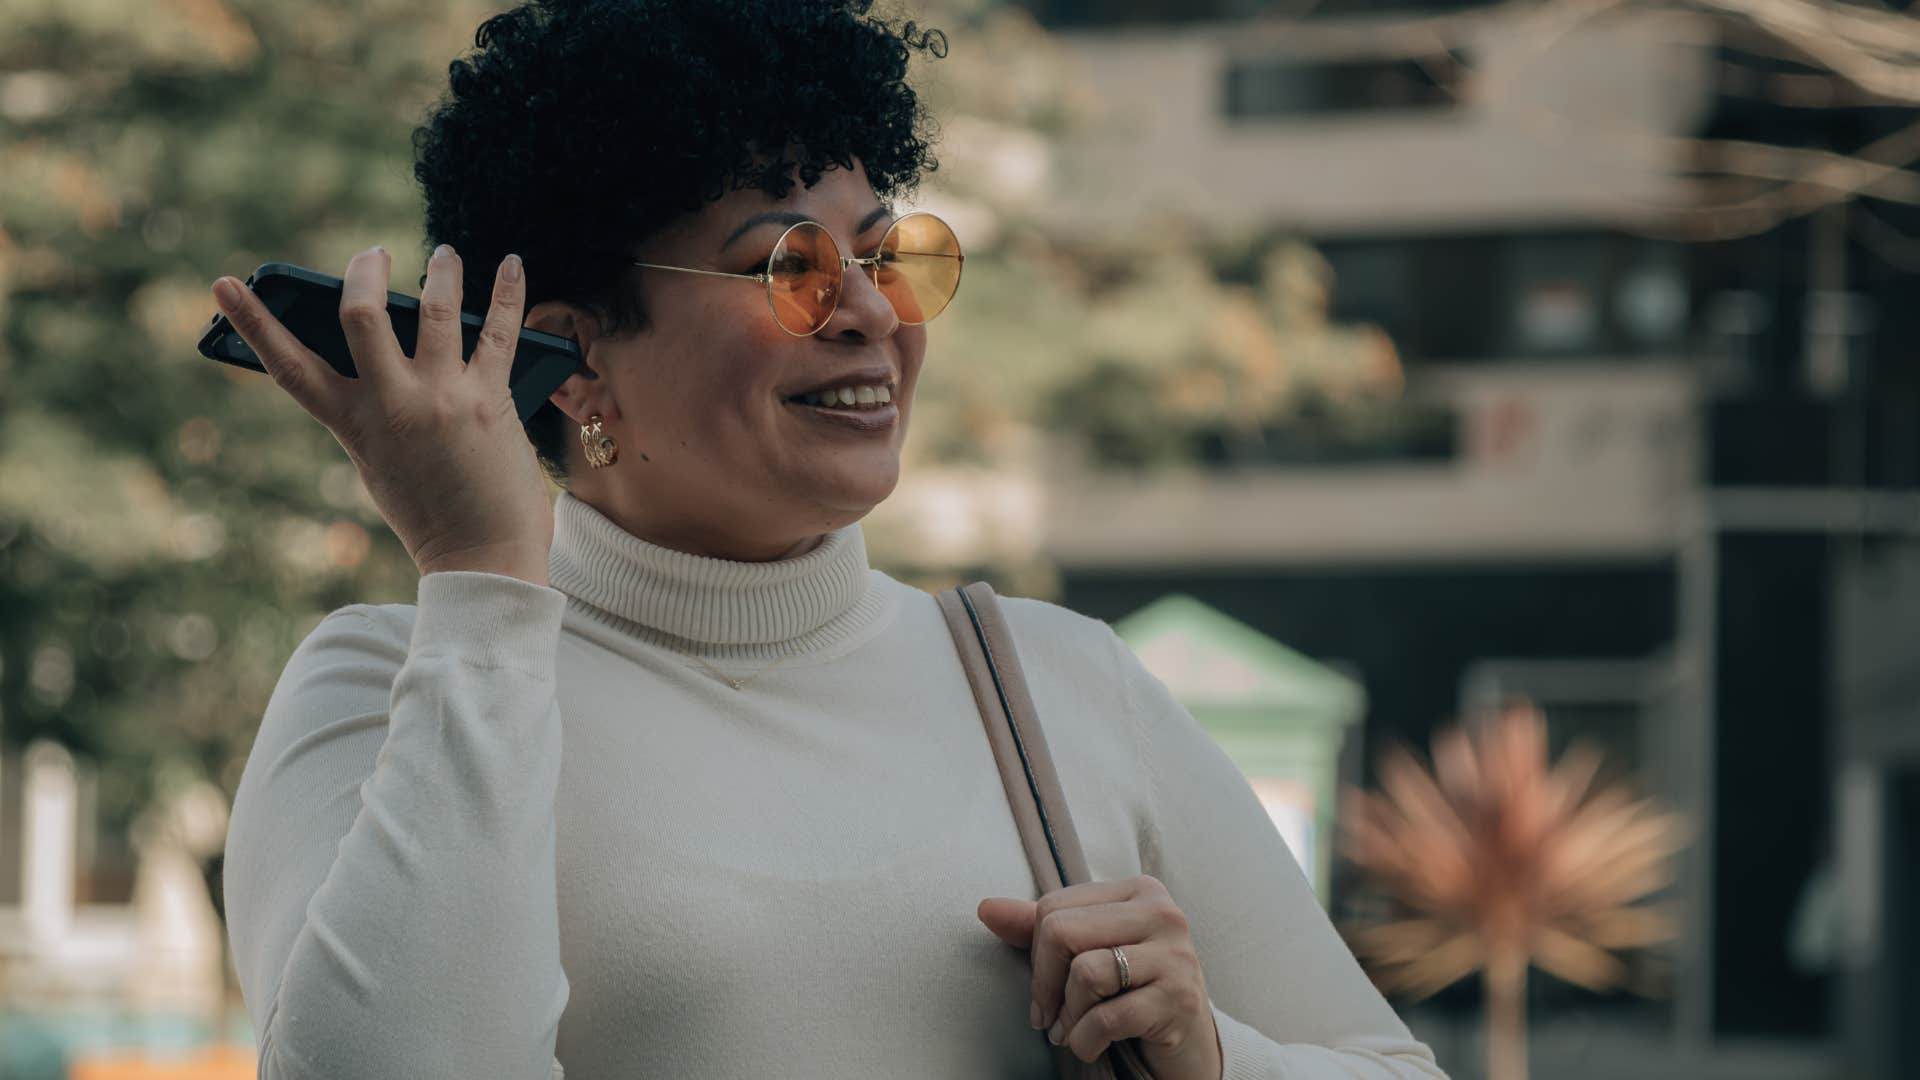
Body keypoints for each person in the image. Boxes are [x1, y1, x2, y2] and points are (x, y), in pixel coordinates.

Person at [212, 1, 1450, 1077]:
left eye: (886, 257)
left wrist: (1213, 1057)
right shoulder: (390, 690)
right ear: (580, 358)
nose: (869, 314)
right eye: (789, 270)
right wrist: (478, 585)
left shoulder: (1066, 684)